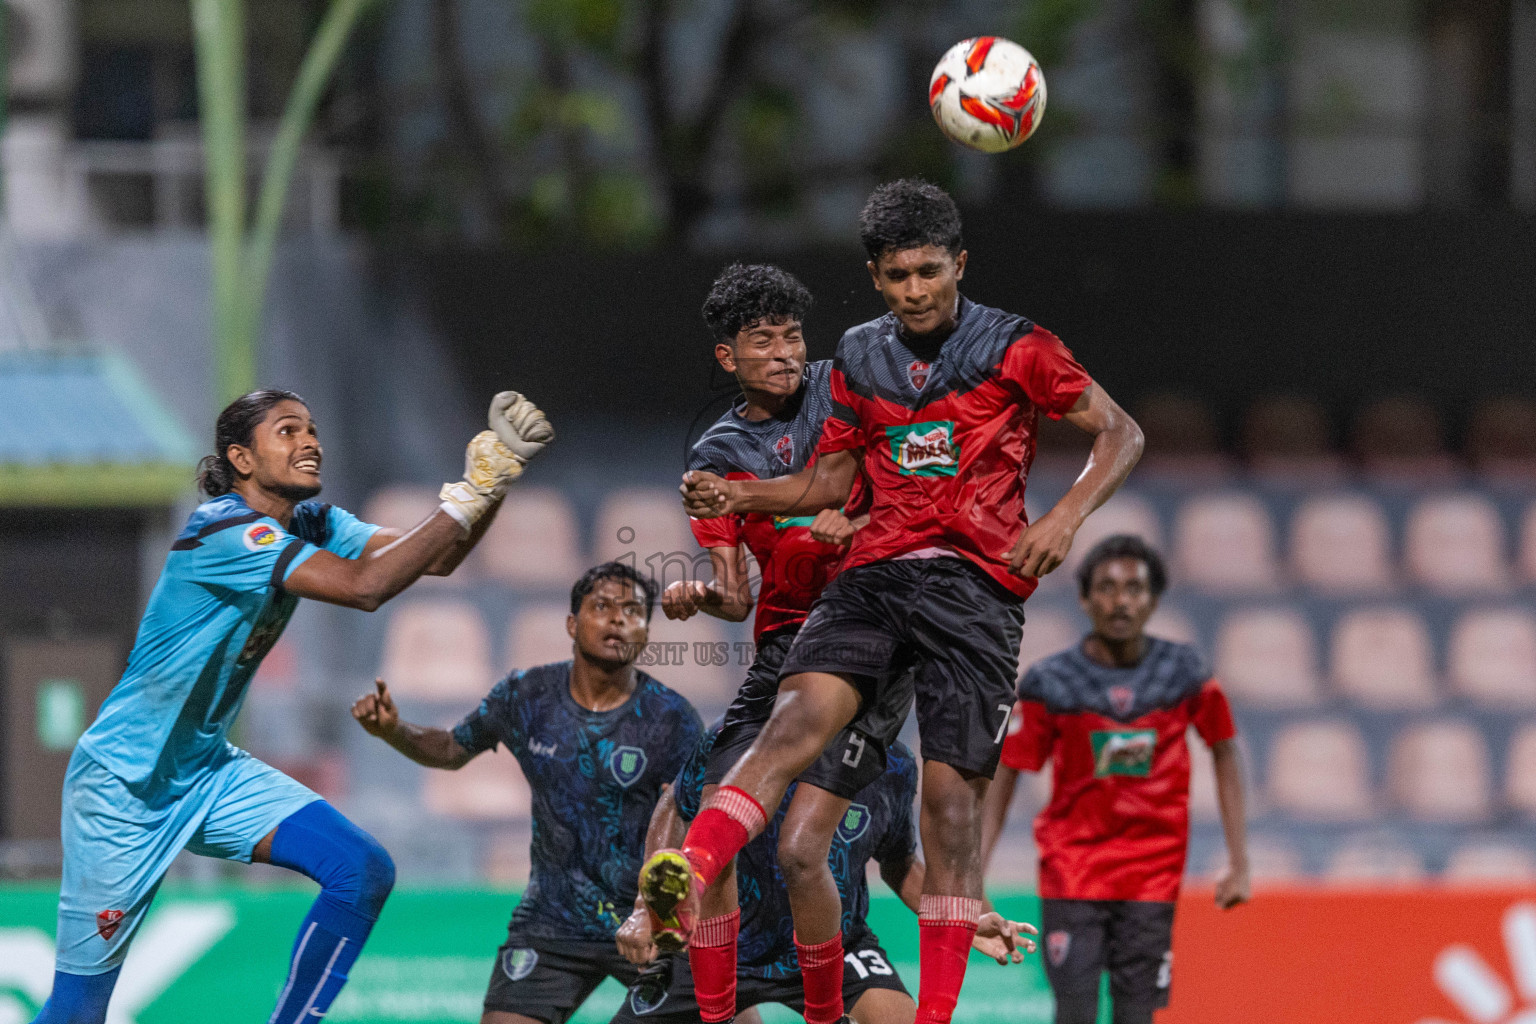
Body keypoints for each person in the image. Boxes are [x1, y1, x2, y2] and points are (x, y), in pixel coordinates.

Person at [649, 178, 1145, 1024]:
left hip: (975, 588)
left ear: (959, 263)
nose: (912, 291)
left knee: (951, 813)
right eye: (894, 276)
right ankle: (691, 870)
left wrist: (1064, 518)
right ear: (874, 276)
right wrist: (742, 499)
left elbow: (1121, 432)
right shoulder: (859, 355)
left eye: (926, 272)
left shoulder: (1016, 345)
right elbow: (835, 478)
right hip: (877, 577)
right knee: (790, 728)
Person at [30, 387, 552, 1024]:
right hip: (122, 787)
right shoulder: (220, 529)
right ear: (241, 459)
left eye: (311, 429)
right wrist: (473, 488)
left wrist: (494, 483)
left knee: (360, 868)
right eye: (287, 431)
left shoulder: (314, 522)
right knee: (77, 1014)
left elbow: (435, 560)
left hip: (207, 771)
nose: (311, 442)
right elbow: (365, 588)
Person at [654, 262, 912, 1024]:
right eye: (762, 340)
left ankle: (828, 1009)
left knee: (801, 847)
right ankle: (717, 1005)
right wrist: (697, 595)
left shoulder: (847, 388)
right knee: (717, 810)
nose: (785, 352)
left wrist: (859, 524)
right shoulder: (716, 456)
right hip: (787, 648)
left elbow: (917, 494)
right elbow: (735, 593)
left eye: (793, 335)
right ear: (727, 357)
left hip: (872, 628)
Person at [352, 562, 704, 1024]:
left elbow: (689, 821)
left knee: (728, 1011)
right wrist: (394, 730)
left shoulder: (672, 717)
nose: (619, 618)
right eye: (603, 606)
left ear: (647, 631)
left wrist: (659, 913)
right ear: (572, 624)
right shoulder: (526, 695)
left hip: (647, 922)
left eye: (634, 610)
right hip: (552, 922)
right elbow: (451, 748)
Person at [980, 534, 1250, 1024]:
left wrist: (1239, 861)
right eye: (1106, 587)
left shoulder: (1185, 673)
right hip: (1073, 872)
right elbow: (1008, 773)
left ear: (1152, 600)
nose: (1120, 599)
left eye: (1134, 588)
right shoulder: (1050, 683)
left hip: (1152, 876)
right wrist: (975, 871)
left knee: (1136, 1016)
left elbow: (1225, 751)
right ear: (1085, 599)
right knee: (1075, 1014)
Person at [615, 725, 1036, 1024]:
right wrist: (646, 907)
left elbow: (899, 862)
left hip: (837, 945)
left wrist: (962, 922)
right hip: (726, 943)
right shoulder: (739, 737)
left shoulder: (895, 765)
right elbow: (676, 808)